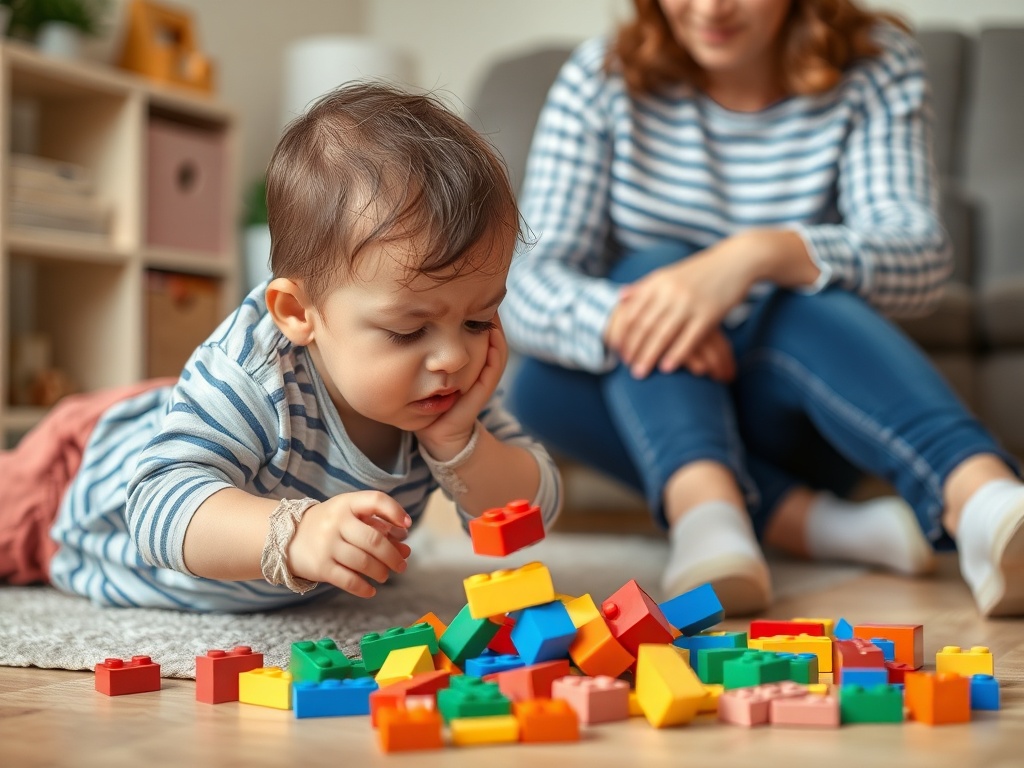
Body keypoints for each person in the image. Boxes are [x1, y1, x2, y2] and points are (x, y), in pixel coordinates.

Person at [501, 0, 1024, 617]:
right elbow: (528, 284)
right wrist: (640, 314)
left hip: (808, 410)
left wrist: (760, 255)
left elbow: (920, 260)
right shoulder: (601, 79)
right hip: (660, 411)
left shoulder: (874, 65)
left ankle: (981, 501)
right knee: (551, 373)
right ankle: (765, 521)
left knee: (789, 293)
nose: (710, 8)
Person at [0, 82, 561, 611]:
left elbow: (531, 511)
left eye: (481, 318)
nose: (454, 357)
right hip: (64, 494)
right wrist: (293, 533)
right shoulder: (256, 374)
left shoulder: (451, 385)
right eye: (408, 331)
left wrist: (459, 444)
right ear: (299, 314)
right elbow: (155, 506)